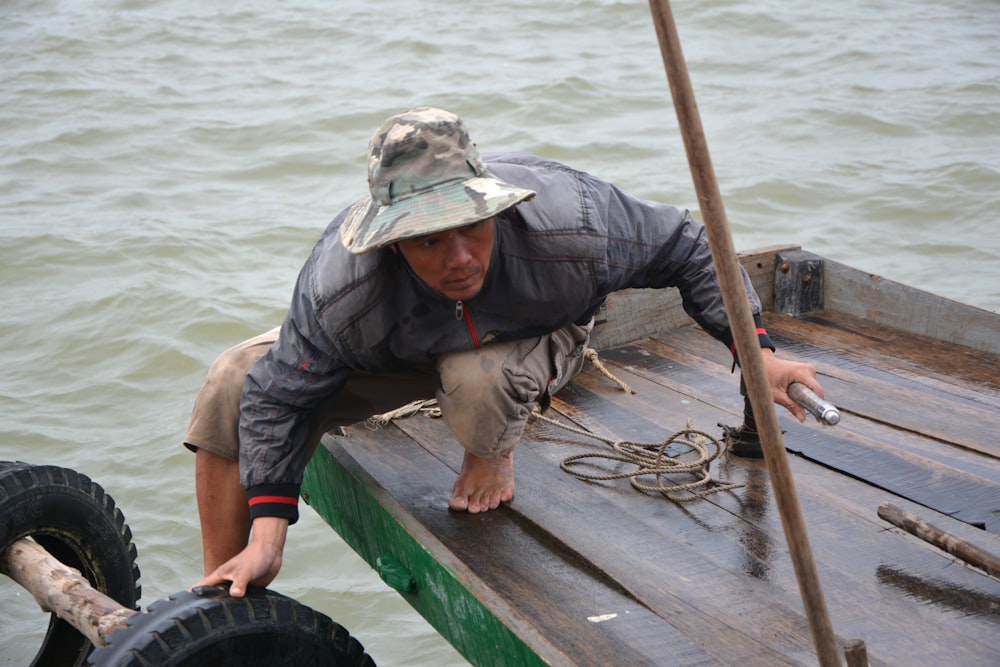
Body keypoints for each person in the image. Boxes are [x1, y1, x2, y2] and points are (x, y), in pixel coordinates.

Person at [187, 107, 824, 598]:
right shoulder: (342, 289)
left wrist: (755, 350)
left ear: (494, 206)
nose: (459, 259)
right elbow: (279, 394)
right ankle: (225, 591)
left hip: (528, 338)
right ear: (391, 243)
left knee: (479, 379)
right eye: (429, 242)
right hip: (396, 353)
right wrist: (269, 533)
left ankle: (490, 454)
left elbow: (691, 245)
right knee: (232, 381)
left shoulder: (574, 225)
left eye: (471, 226)